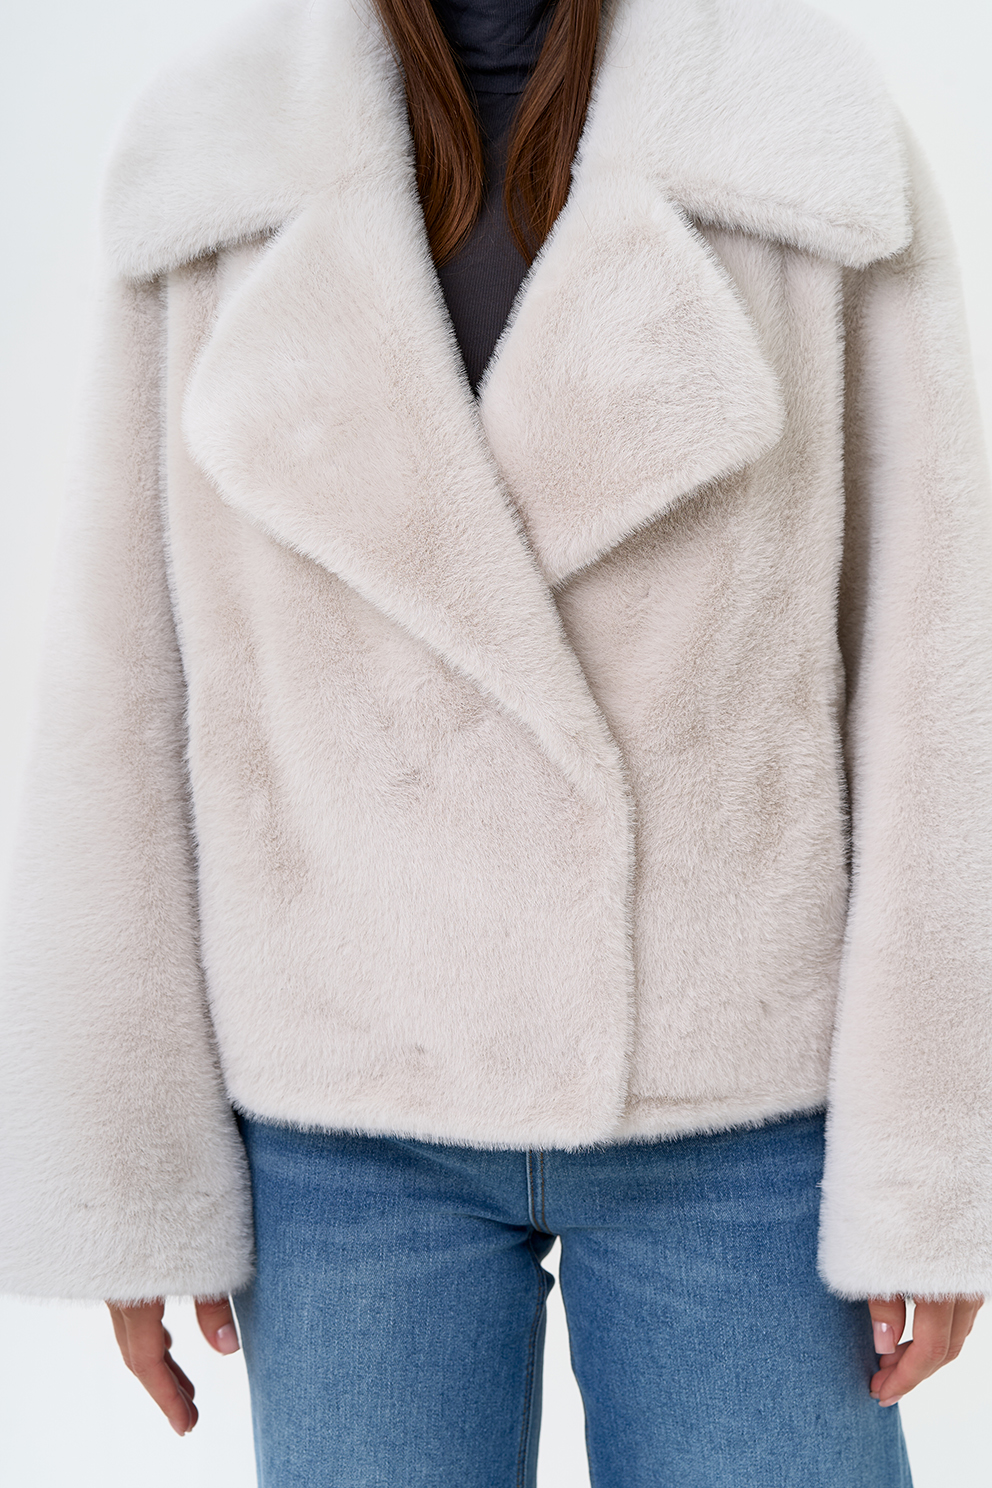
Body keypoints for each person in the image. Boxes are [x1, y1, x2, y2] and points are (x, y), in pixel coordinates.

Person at [2, 0, 990, 1482]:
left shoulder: (799, 138)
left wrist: (937, 1165)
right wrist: (128, 1176)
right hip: (345, 1119)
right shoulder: (213, 158)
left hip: (742, 1114)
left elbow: (935, 666)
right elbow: (117, 680)